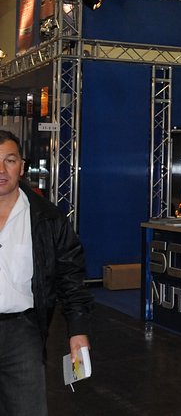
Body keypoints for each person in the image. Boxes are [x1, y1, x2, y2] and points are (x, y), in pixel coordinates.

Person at [0, 130, 93, 415]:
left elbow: (70, 275)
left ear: (22, 167)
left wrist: (77, 330)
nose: (1, 169)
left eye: (9, 160)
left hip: (22, 332)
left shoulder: (48, 218)